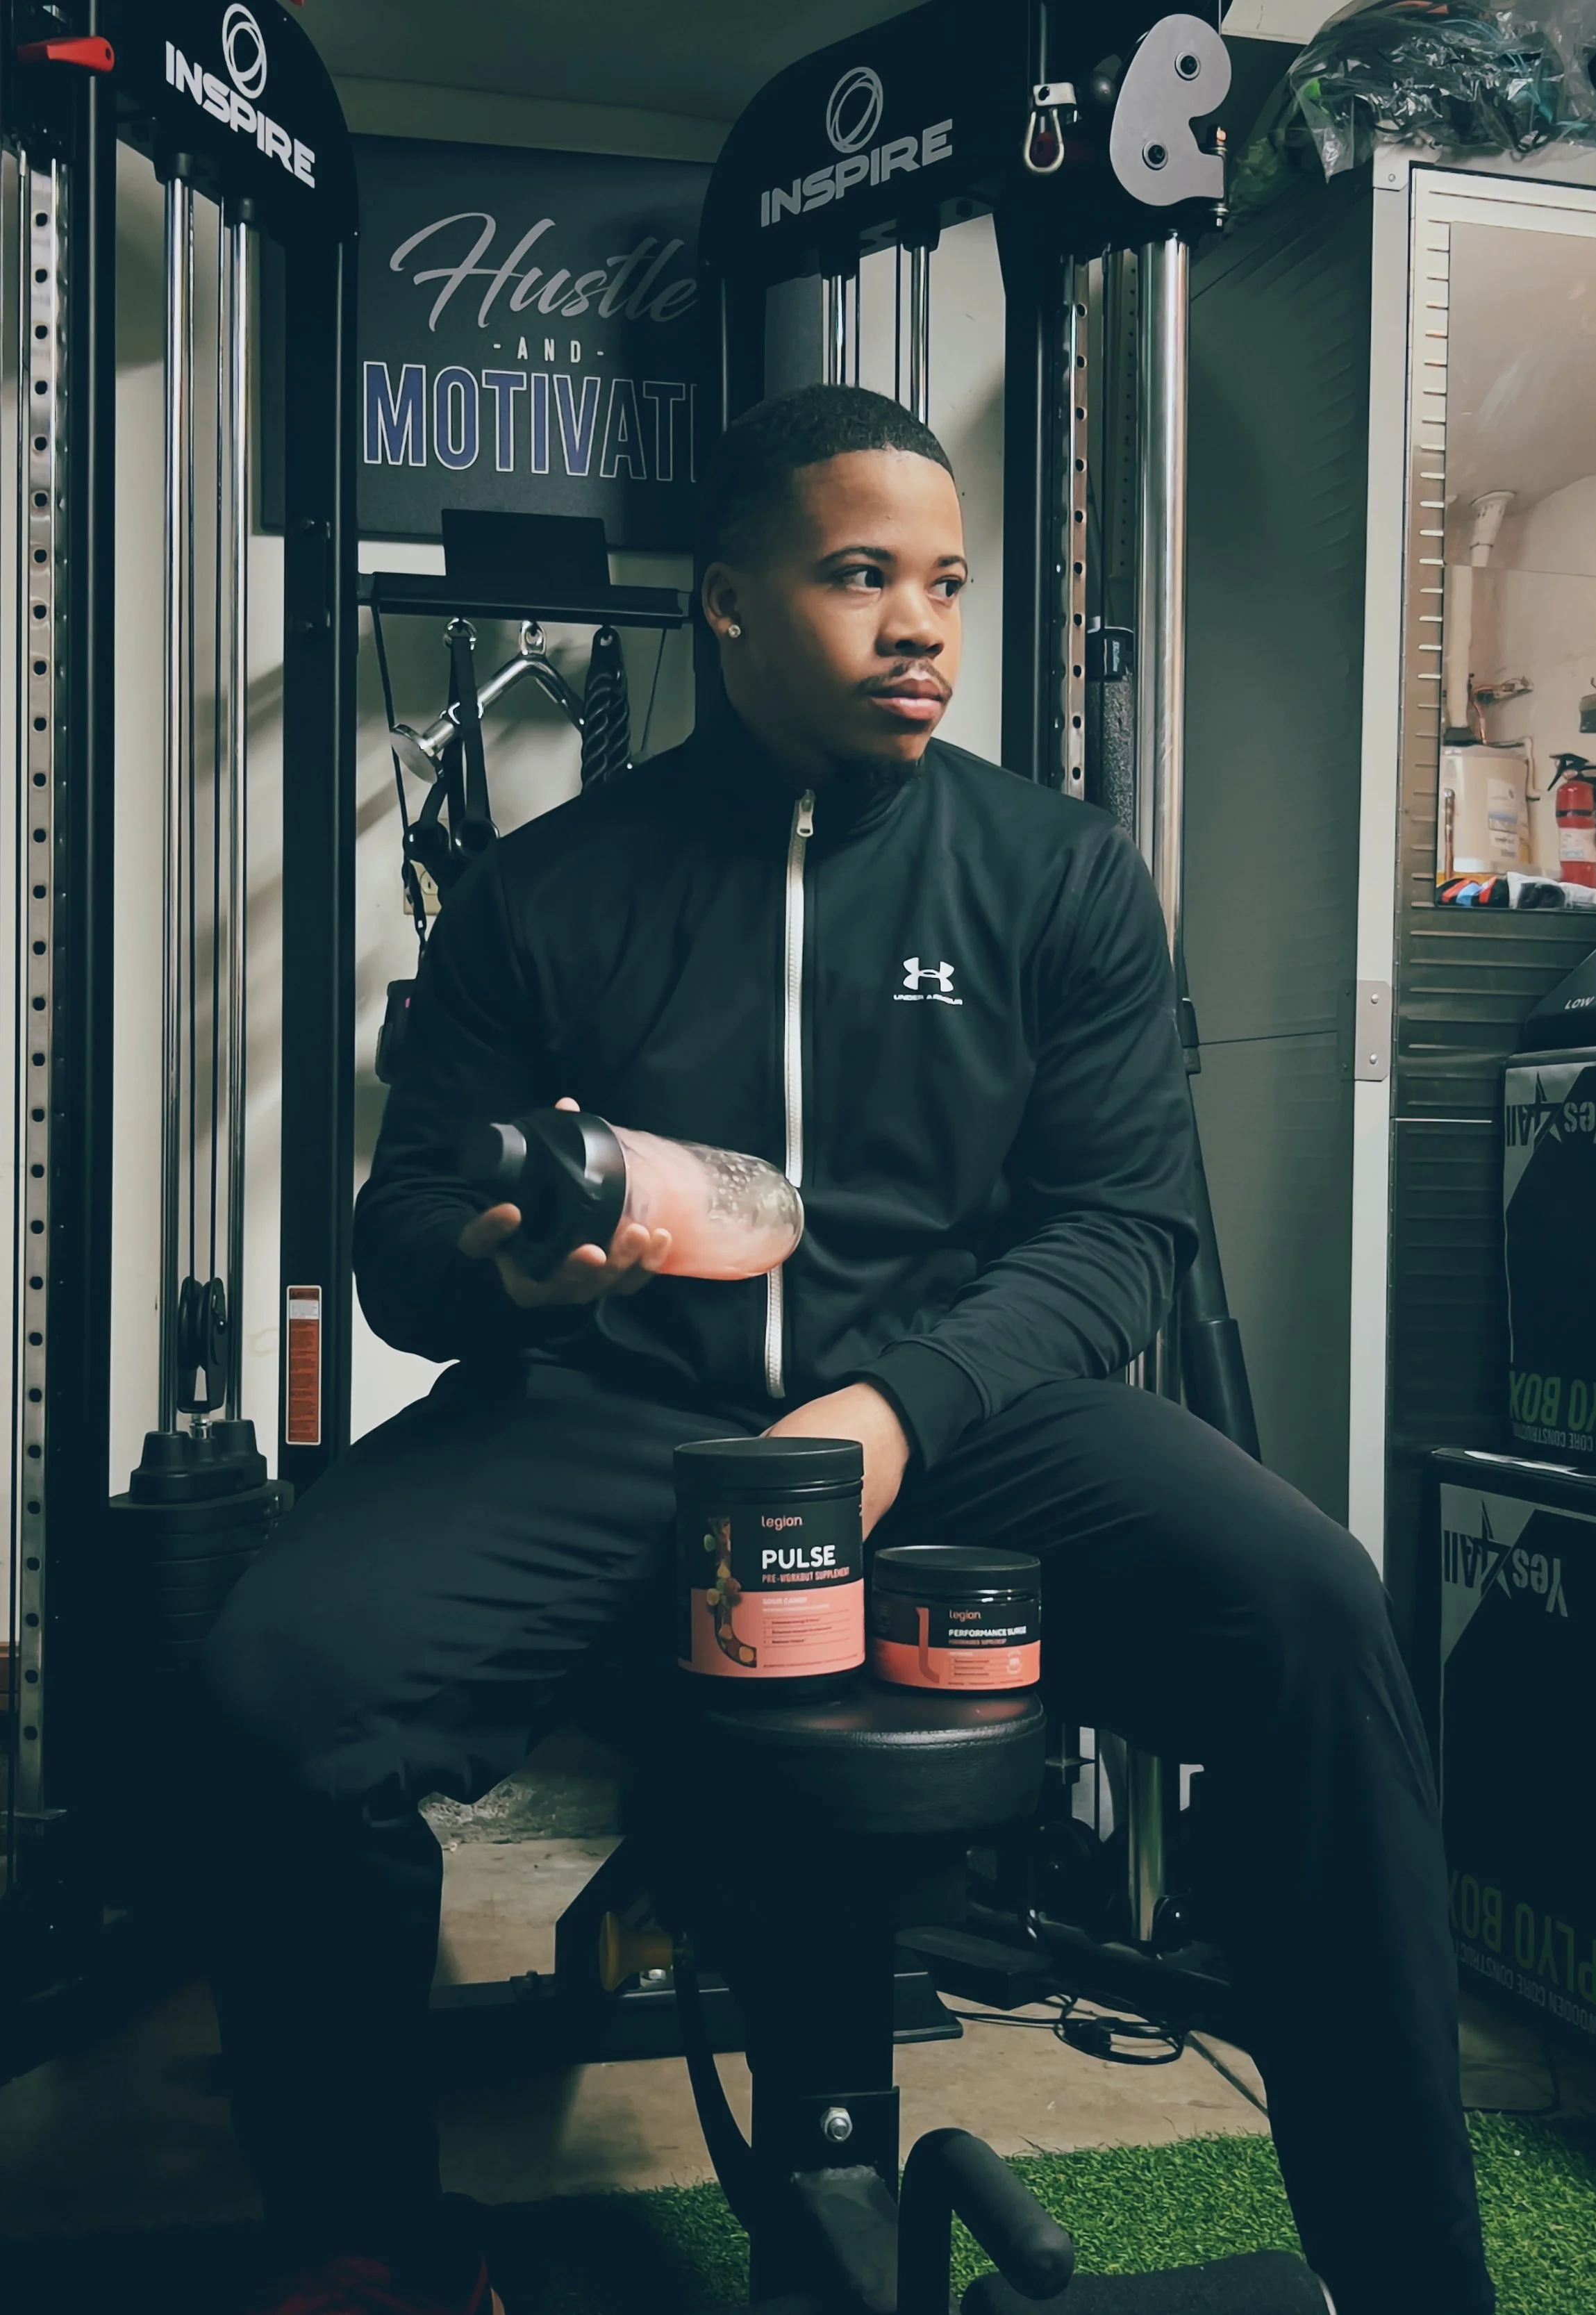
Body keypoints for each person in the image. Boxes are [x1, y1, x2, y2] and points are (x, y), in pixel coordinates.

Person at [203, 385, 1494, 2315]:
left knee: (1311, 1607)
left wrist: (892, 1410)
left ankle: (1411, 2279)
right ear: (726, 603)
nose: (921, 624)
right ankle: (365, 2244)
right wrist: (510, 1282)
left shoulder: (1052, 878)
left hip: (958, 1411)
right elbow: (400, 1252)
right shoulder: (546, 893)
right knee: (280, 1685)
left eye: (945, 582)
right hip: (617, 1410)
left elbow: (1113, 1236)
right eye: (859, 574)